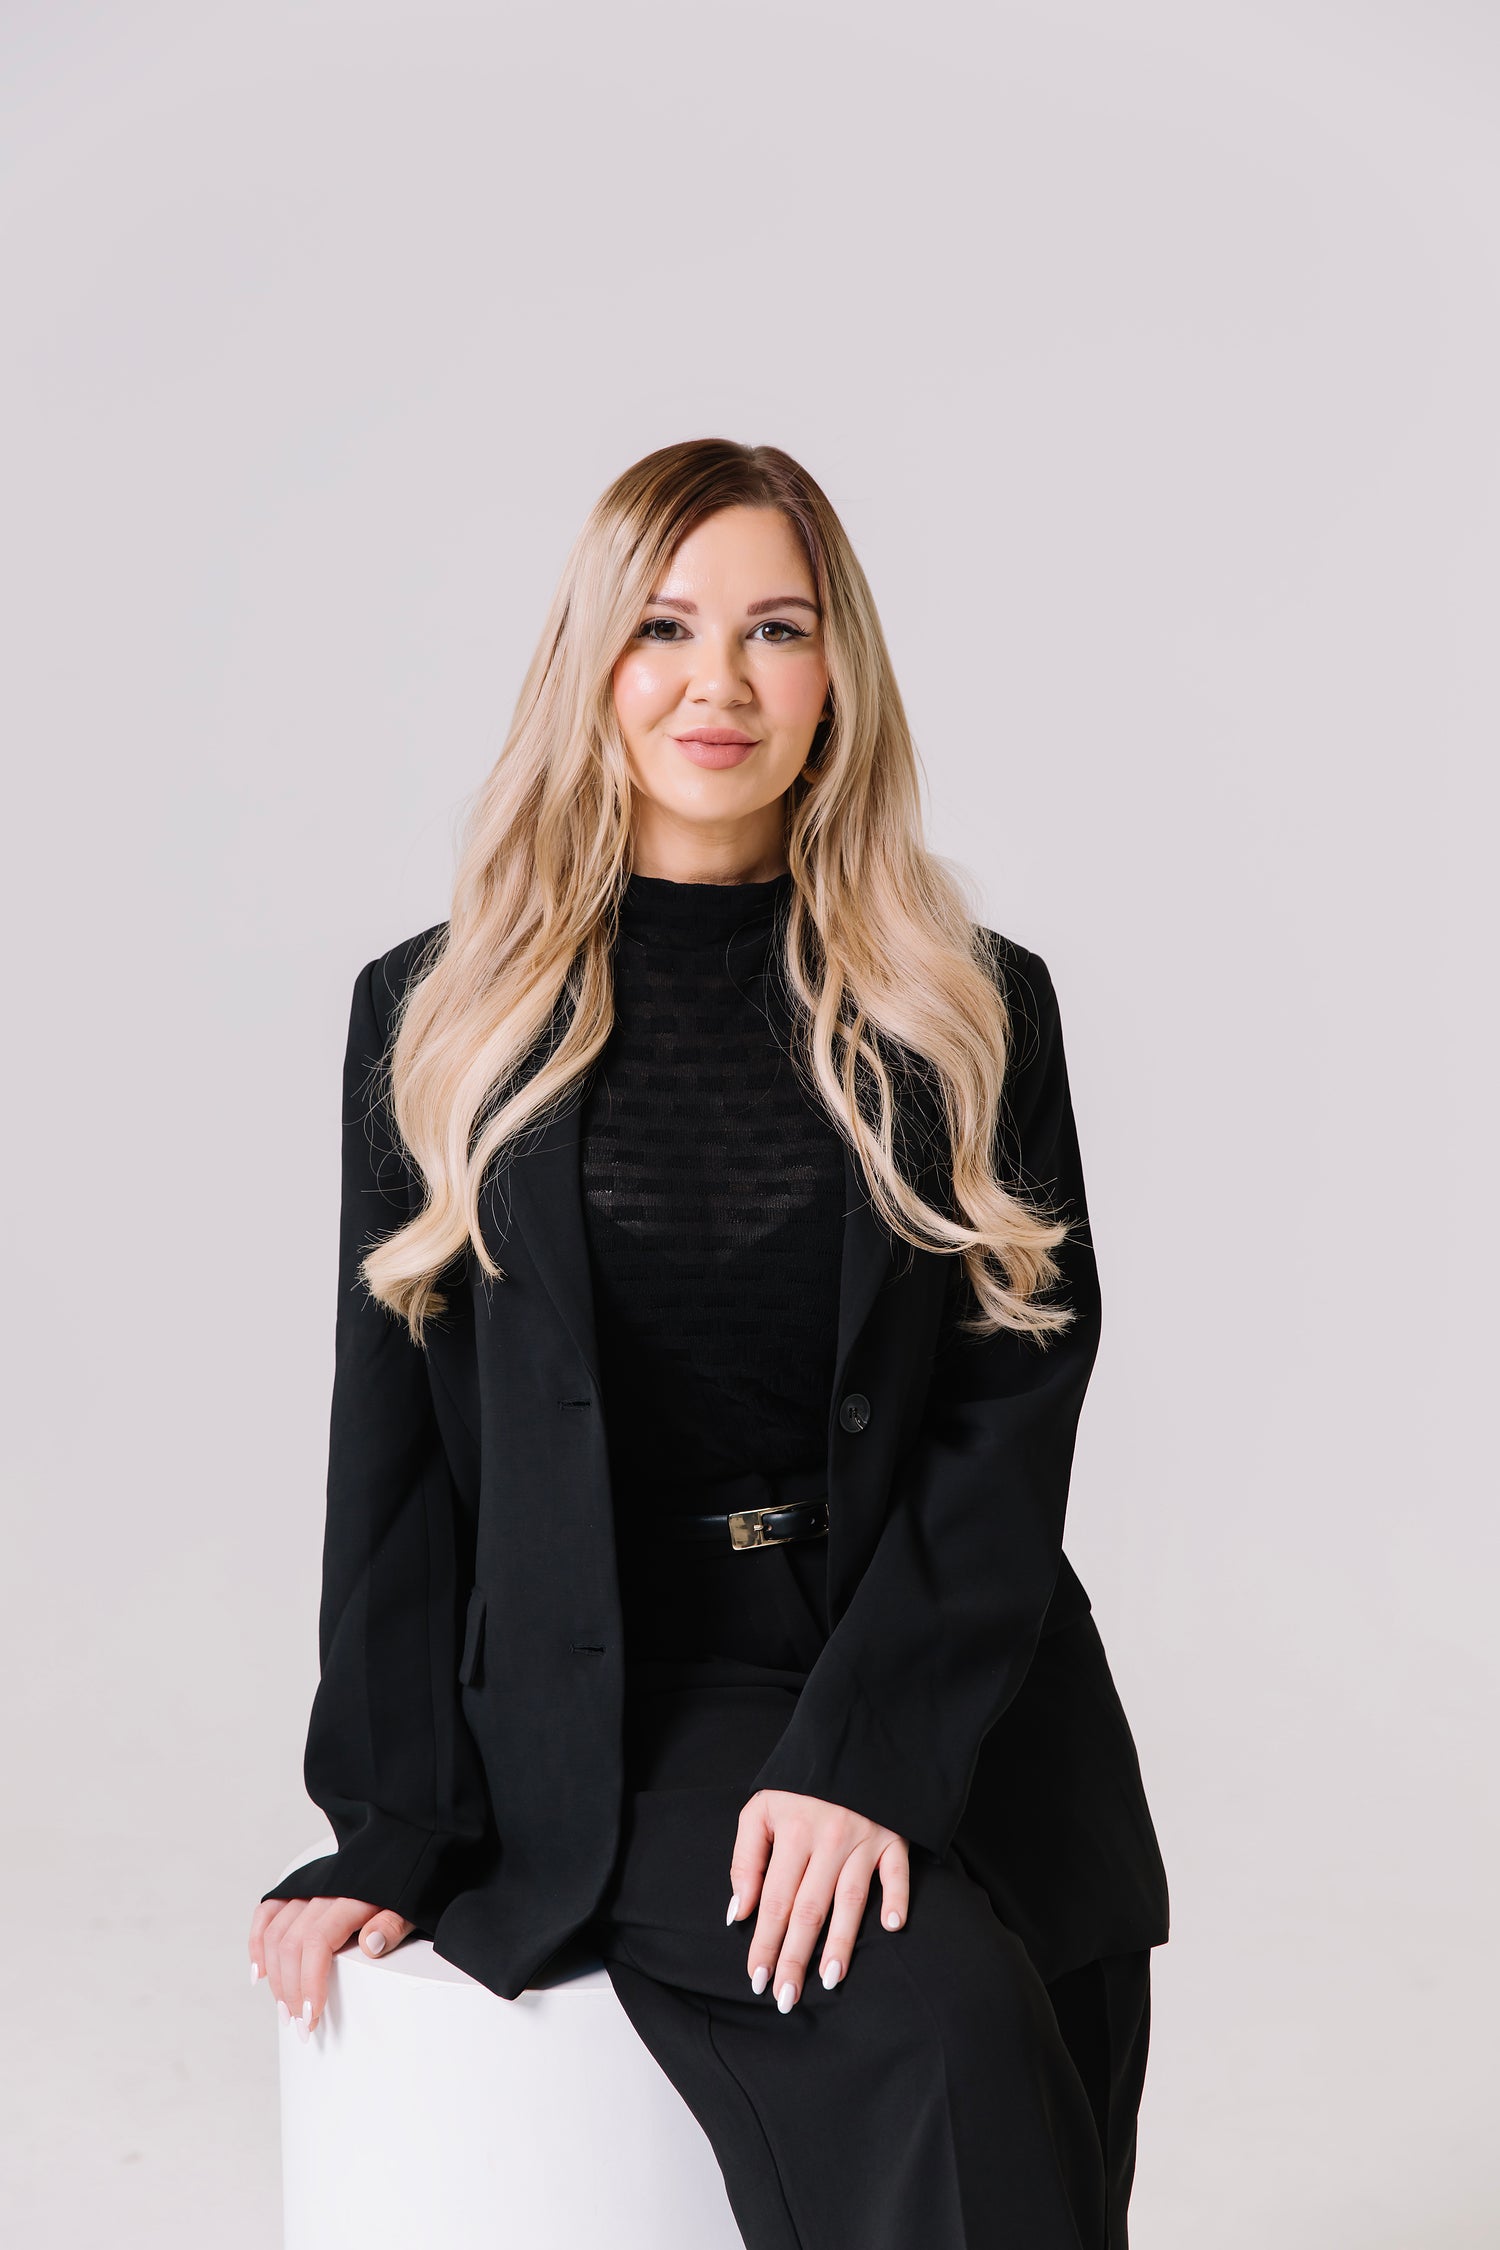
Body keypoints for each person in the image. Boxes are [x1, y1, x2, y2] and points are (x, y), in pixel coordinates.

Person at [248, 437, 1170, 2249]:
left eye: (777, 629)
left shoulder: (972, 1004)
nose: (718, 682)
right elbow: (398, 1464)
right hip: (640, 1691)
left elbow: (1012, 1414)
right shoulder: (435, 1017)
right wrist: (386, 1827)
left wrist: (874, 1752)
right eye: (665, 625)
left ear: (840, 676)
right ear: (592, 655)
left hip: (952, 1672)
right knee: (942, 2028)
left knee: (1060, 2034)